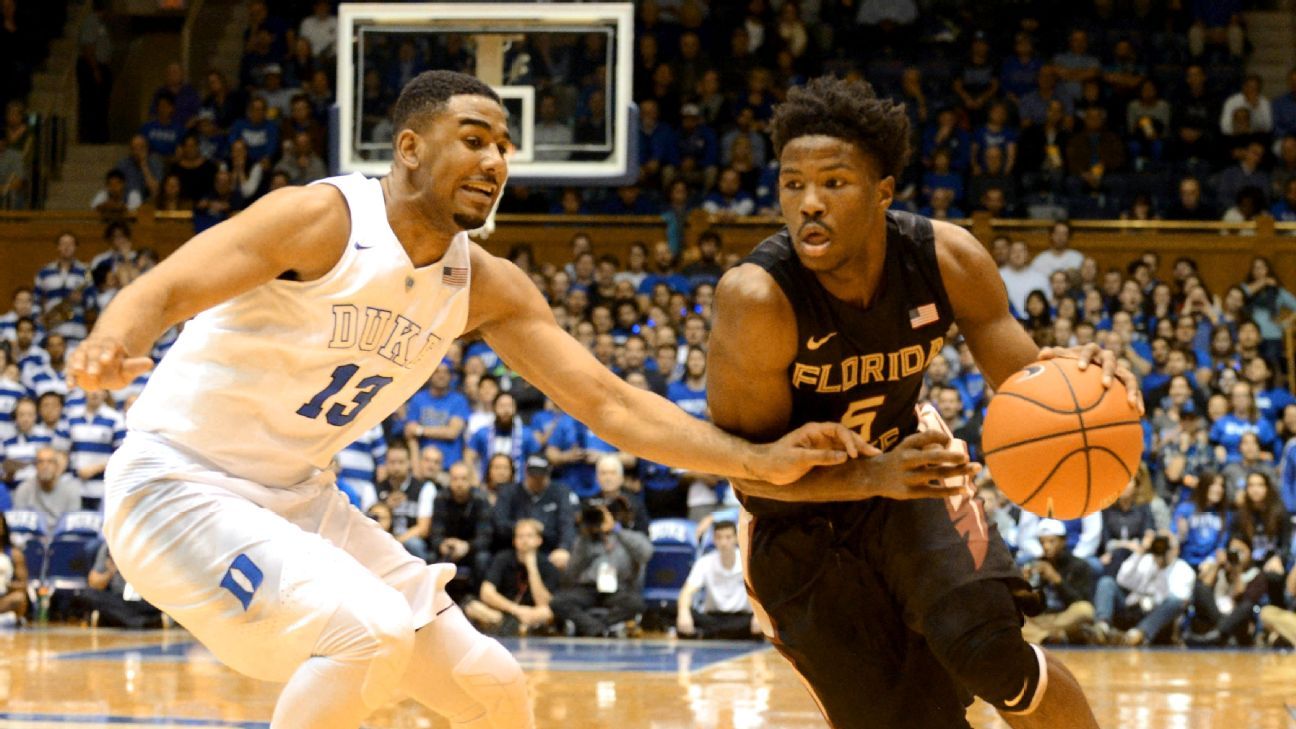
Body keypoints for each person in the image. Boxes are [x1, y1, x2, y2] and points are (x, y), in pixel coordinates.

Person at [71, 70, 853, 729]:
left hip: (299, 504)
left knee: (491, 683)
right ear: (409, 148)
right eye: (475, 138)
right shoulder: (323, 219)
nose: (495, 160)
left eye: (504, 147)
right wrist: (110, 338)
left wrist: (752, 459)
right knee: (367, 630)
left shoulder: (484, 285)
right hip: (174, 485)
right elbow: (168, 284)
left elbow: (611, 405)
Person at [707, 76, 1143, 729]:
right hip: (793, 520)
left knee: (994, 654)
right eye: (793, 184)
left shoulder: (947, 259)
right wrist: (866, 474)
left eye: (834, 182)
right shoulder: (757, 300)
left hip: (909, 477)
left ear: (883, 192)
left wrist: (1088, 382)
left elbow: (1029, 384)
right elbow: (745, 468)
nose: (810, 204)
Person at [550, 501, 653, 638]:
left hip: (618, 589)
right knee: (558, 602)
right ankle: (598, 628)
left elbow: (646, 553)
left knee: (636, 604)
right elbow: (571, 573)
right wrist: (585, 536)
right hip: (588, 589)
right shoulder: (584, 540)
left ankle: (596, 627)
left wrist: (616, 529)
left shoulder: (627, 536)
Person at [468, 518, 560, 636]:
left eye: (529, 536)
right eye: (520, 537)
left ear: (539, 540)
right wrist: (515, 609)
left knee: (547, 612)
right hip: (504, 610)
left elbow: (544, 603)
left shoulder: (547, 565)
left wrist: (532, 568)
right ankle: (518, 628)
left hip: (531, 613)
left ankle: (507, 627)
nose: (524, 540)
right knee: (473, 606)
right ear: (514, 541)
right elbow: (486, 592)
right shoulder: (503, 558)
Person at [676, 520, 761, 640]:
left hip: (741, 617)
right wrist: (683, 612)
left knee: (758, 624)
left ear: (736, 538)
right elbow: (686, 592)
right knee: (675, 614)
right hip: (713, 617)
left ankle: (711, 633)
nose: (723, 542)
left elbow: (761, 593)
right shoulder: (705, 562)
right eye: (719, 537)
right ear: (714, 540)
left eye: (728, 537)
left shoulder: (747, 562)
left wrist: (758, 616)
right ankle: (724, 632)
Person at [1020, 519, 1095, 645]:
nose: (1046, 546)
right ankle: (1049, 637)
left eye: (1051, 541)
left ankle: (1042, 636)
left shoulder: (1079, 565)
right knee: (1011, 619)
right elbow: (1029, 606)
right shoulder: (1035, 565)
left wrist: (1056, 579)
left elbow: (1080, 601)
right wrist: (1023, 585)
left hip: (1064, 617)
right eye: (1042, 542)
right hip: (1040, 618)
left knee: (1085, 610)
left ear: (1063, 541)